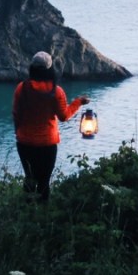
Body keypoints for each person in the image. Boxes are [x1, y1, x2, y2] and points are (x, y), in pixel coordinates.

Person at [11, 50, 89, 202]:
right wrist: (78, 102)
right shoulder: (56, 91)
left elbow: (16, 114)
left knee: (29, 178)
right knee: (44, 181)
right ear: (50, 69)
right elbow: (64, 116)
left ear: (32, 68)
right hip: (47, 144)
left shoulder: (22, 88)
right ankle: (42, 215)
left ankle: (26, 213)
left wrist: (18, 133)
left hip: (25, 142)